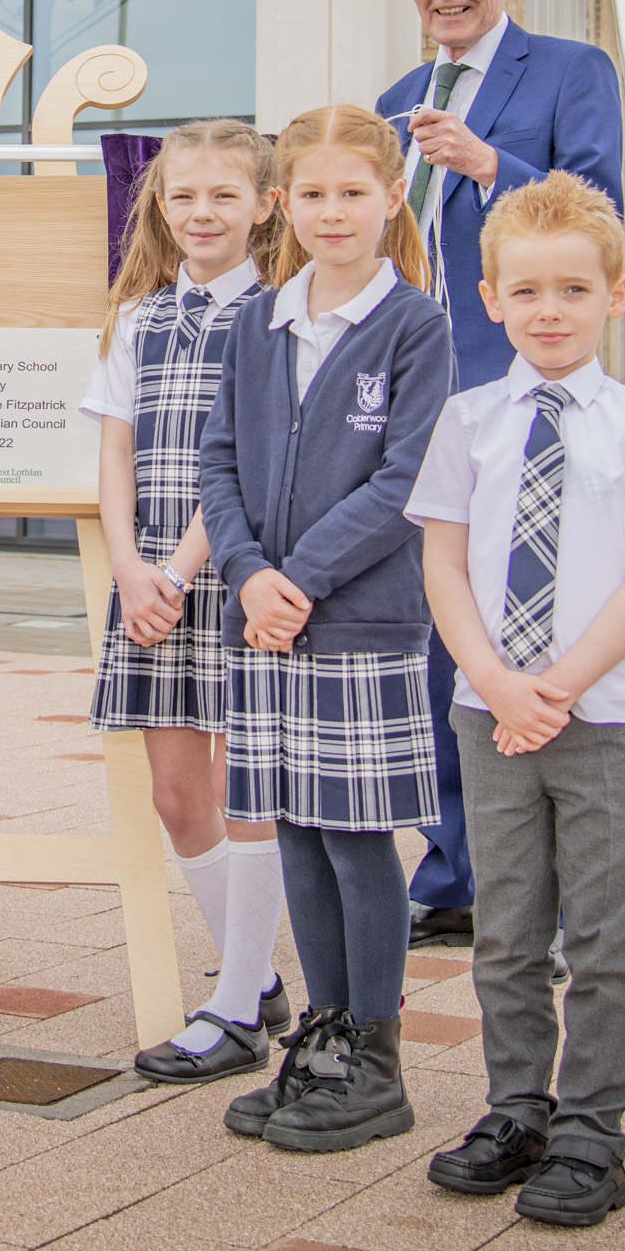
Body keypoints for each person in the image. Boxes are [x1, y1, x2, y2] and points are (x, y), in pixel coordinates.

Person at [409, 172, 625, 1229]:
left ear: (614, 295)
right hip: (490, 713)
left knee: (607, 934)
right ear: (490, 296)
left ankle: (592, 1130)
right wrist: (495, 683)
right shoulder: (468, 420)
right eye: (526, 289)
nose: (549, 308)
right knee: (508, 928)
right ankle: (516, 1107)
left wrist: (561, 684)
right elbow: (444, 566)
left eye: (574, 289)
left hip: (603, 715)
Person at [199, 105, 454, 1155]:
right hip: (266, 623)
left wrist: (295, 578)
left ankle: (377, 1059)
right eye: (312, 193)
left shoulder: (415, 324)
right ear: (282, 205)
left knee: (355, 839)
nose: (333, 211)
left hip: (360, 624)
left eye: (354, 191)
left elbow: (408, 478)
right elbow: (215, 462)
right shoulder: (255, 323)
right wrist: (251, 573)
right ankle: (325, 1031)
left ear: (393, 197)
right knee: (295, 830)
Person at [375, 0, 624, 950]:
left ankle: (542, 885)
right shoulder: (392, 99)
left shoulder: (570, 71)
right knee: (437, 635)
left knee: (527, 624)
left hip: (520, 392)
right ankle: (454, 872)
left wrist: (487, 163)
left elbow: (600, 208)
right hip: (413, 398)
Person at [84, 121, 294, 1084]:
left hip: (240, 572)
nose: (200, 213)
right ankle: (253, 980)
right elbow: (117, 452)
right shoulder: (139, 318)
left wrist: (177, 569)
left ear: (263, 206)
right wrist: (131, 566)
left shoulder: (280, 315)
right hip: (152, 584)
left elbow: (246, 462)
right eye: (182, 196)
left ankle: (235, 1004)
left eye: (222, 196)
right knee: (178, 796)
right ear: (159, 207)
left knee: (248, 793)